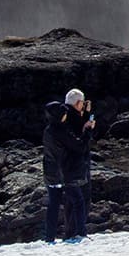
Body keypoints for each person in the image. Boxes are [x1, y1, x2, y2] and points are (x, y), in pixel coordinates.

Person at [50, 88, 95, 242]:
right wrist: (88, 127)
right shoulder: (73, 117)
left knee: (71, 200)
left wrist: (86, 116)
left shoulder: (63, 117)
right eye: (82, 103)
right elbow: (81, 141)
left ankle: (72, 232)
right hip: (76, 164)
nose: (83, 106)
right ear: (77, 103)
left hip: (66, 166)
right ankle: (76, 232)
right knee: (82, 198)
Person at [41, 99, 86, 243]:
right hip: (65, 172)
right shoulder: (61, 131)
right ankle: (81, 233)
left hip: (50, 172)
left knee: (53, 204)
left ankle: (49, 237)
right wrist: (88, 131)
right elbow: (79, 146)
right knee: (78, 201)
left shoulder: (48, 130)